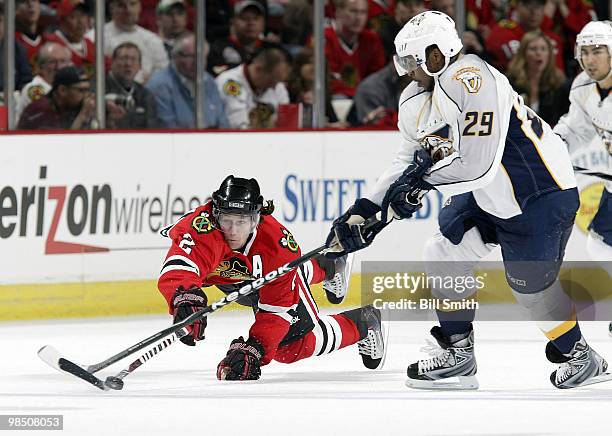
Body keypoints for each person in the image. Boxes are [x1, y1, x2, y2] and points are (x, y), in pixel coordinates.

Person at [326, 11, 610, 389]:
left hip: (540, 194)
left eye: (413, 61)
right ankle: (458, 353)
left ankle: (581, 356)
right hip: (489, 196)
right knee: (441, 252)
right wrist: (366, 209)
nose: (408, 70)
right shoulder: (416, 96)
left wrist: (417, 186)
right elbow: (407, 158)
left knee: (531, 289)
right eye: (405, 62)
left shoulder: (475, 81)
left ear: (438, 54)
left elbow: (477, 166)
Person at [157, 175, 386, 381]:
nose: (233, 230)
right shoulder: (200, 228)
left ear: (256, 219)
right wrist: (184, 297)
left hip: (261, 278)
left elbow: (277, 310)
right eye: (227, 220)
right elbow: (179, 267)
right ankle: (329, 265)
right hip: (235, 280)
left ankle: (363, 322)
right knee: (271, 274)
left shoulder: (278, 246)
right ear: (216, 214)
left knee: (290, 348)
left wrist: (256, 349)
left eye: (241, 221)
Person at [551, 21, 612, 334]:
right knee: (600, 245)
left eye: (598, 51)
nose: (590, 59)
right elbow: (575, 130)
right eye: (585, 52)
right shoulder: (583, 88)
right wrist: (546, 145)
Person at [146, 33, 228, 129]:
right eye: (191, 56)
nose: (197, 62)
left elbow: (223, 122)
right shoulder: (159, 86)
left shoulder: (209, 81)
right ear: (176, 56)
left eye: (202, 56)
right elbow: (168, 129)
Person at [215, 46, 290, 129]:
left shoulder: (277, 85)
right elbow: (238, 125)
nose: (274, 87)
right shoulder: (230, 83)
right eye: (272, 80)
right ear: (258, 69)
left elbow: (285, 123)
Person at [507, 30, 569, 125]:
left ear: (549, 55)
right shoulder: (511, 82)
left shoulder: (558, 83)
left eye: (543, 49)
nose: (539, 53)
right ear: (523, 54)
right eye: (533, 49)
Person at [325, 0, 386, 98]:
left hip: (365, 96)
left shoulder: (372, 40)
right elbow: (327, 80)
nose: (358, 18)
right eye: (353, 11)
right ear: (338, 12)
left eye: (363, 12)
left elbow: (377, 77)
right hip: (333, 98)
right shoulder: (324, 38)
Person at [485, 0, 565, 73]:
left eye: (538, 7)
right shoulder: (502, 31)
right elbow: (517, 70)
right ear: (517, 6)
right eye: (528, 6)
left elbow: (559, 75)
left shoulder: (552, 38)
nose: (533, 12)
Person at [104, 0, 169, 84]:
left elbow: (164, 75)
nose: (128, 10)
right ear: (111, 8)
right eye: (121, 5)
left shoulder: (153, 40)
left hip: (147, 92)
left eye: (133, 4)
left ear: (140, 7)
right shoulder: (96, 38)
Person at [207, 0, 278, 77]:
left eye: (255, 18)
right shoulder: (218, 49)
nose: (251, 23)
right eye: (244, 18)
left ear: (263, 23)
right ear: (232, 22)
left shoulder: (272, 50)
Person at [18, 65, 94, 130]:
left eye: (88, 90)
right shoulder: (40, 110)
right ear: (62, 90)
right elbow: (61, 144)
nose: (87, 95)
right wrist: (82, 116)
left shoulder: (71, 107)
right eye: (81, 90)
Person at [106, 42, 161, 129]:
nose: (128, 64)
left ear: (139, 66)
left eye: (133, 59)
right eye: (123, 58)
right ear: (112, 62)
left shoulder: (146, 95)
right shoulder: (99, 90)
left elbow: (152, 130)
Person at [16, 42, 72, 121]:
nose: (58, 67)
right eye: (52, 62)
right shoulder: (34, 89)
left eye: (62, 61)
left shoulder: (69, 87)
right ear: (41, 65)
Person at [45, 0, 97, 76]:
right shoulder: (50, 43)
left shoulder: (91, 45)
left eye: (83, 15)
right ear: (62, 21)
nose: (80, 22)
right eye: (73, 16)